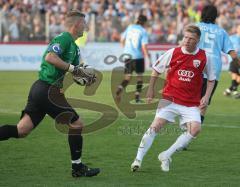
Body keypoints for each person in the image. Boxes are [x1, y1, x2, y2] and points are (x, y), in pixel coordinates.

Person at [0, 10, 100, 178]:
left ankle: (78, 168)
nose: (86, 26)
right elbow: (50, 57)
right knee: (76, 124)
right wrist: (74, 69)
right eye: (84, 23)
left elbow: (75, 72)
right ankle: (78, 168)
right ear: (76, 25)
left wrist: (85, 76)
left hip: (44, 90)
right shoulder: (63, 39)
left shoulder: (75, 48)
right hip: (46, 89)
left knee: (22, 130)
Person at [131, 25, 216, 172]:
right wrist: (150, 89)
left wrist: (206, 96)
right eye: (186, 37)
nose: (187, 41)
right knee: (155, 127)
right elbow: (156, 70)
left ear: (198, 41)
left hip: (190, 103)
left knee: (195, 129)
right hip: (170, 99)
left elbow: (211, 79)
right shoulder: (173, 52)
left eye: (191, 39)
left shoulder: (204, 57)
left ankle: (166, 155)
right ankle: (137, 160)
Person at [177, 4, 239, 151]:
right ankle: (188, 136)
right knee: (203, 104)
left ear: (202, 14)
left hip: (195, 66)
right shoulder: (221, 32)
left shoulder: (195, 27)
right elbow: (232, 52)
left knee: (188, 100)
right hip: (213, 70)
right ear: (215, 16)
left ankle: (185, 127)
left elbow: (183, 45)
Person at [115, 14, 150, 103]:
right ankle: (137, 97)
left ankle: (120, 88)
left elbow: (122, 40)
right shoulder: (143, 31)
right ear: (145, 22)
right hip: (138, 57)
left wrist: (125, 50)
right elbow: (144, 46)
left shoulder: (130, 27)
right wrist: (147, 56)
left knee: (127, 77)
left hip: (128, 56)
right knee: (139, 78)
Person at [223, 24, 240, 98]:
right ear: (237, 29)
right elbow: (226, 46)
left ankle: (229, 90)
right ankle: (235, 92)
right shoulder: (232, 38)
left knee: (238, 78)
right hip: (234, 60)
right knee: (235, 75)